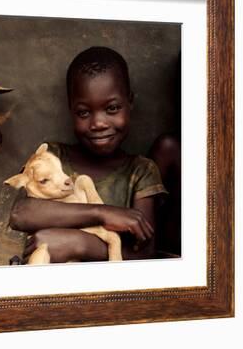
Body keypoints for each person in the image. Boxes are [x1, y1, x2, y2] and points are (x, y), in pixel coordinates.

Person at [9, 46, 168, 263]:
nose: (98, 123)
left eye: (112, 108)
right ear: (71, 109)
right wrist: (102, 213)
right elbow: (21, 214)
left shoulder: (141, 171)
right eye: (84, 112)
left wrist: (76, 243)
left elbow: (144, 254)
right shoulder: (53, 157)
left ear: (130, 102)